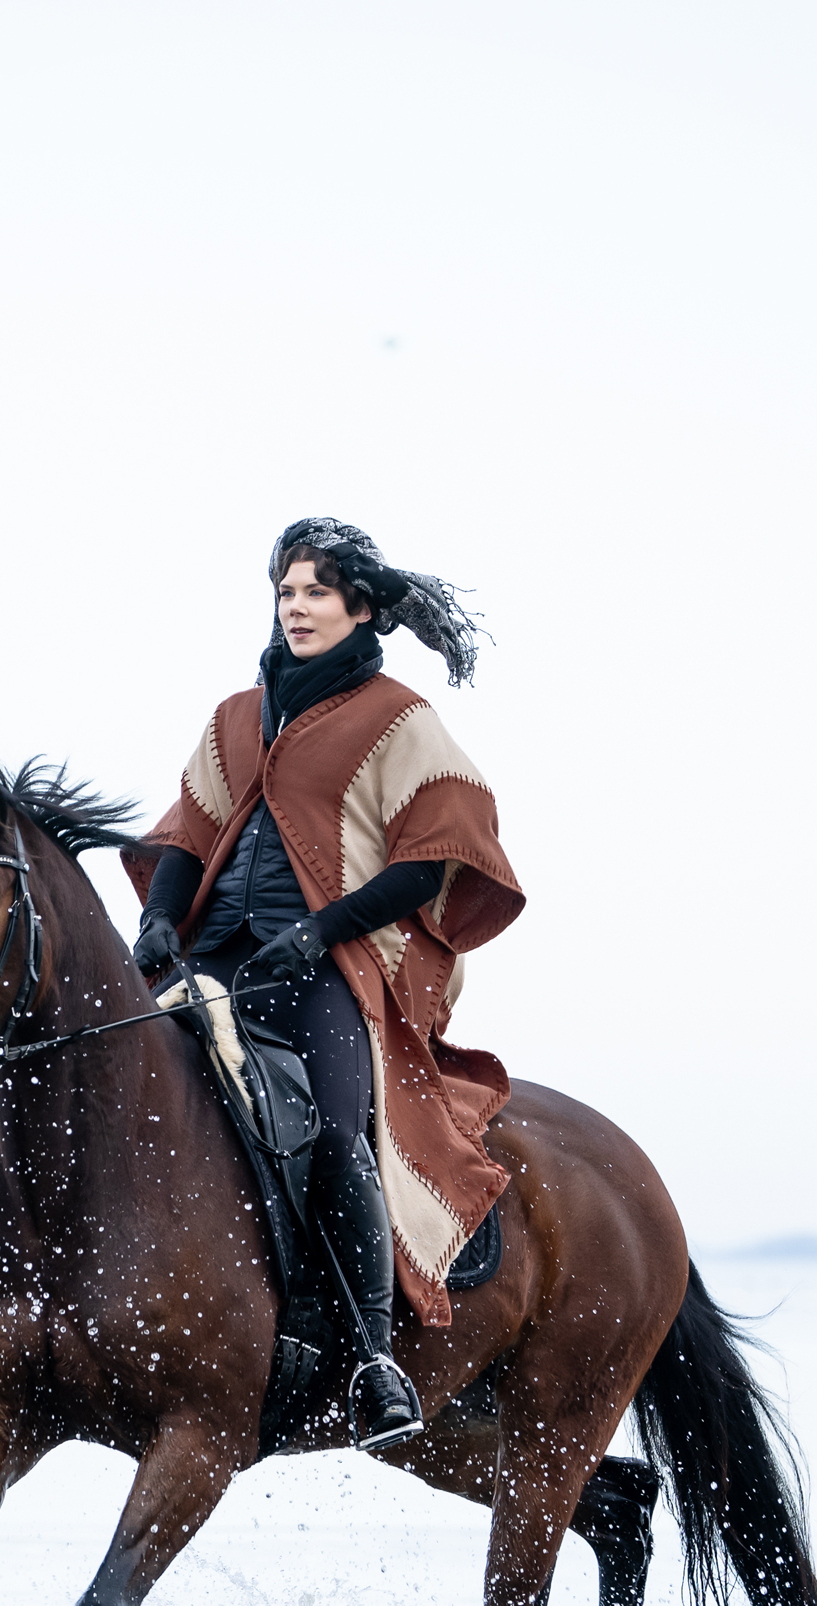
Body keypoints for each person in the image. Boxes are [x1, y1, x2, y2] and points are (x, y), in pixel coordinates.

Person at [122, 518, 530, 1449]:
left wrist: (317, 932)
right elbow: (188, 834)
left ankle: (372, 1356)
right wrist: (157, 920)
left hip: (328, 967)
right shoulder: (235, 714)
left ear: (358, 608)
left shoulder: (402, 719)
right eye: (285, 592)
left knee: (339, 1133)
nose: (296, 607)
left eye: (315, 591)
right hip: (213, 956)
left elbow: (435, 859)